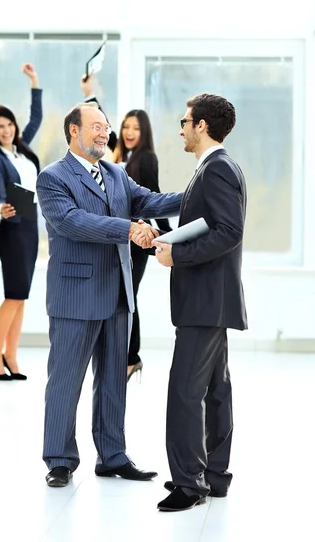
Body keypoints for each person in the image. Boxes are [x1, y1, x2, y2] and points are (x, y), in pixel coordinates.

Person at [36, 102, 183, 488]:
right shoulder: (52, 177)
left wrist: (194, 194)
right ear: (73, 131)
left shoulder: (116, 174)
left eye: (106, 127)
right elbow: (71, 222)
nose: (105, 132)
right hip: (75, 296)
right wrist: (128, 229)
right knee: (66, 380)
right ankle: (60, 459)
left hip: (118, 293)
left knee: (114, 381)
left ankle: (113, 455)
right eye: (96, 126)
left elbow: (150, 201)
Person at [153, 93, 247, 512]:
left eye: (185, 121)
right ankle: (215, 476)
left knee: (185, 392)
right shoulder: (213, 168)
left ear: (202, 126)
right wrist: (165, 239)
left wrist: (178, 256)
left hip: (205, 300)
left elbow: (229, 231)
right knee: (214, 390)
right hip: (211, 300)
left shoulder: (217, 168)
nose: (181, 129)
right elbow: (208, 226)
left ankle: (189, 484)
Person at [81, 76, 172, 380]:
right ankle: (126, 354)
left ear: (143, 133)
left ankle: (131, 357)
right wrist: (91, 94)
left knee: (128, 295)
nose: (129, 133)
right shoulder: (122, 155)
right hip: (122, 234)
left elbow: (154, 196)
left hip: (138, 239)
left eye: (136, 128)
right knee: (122, 294)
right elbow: (101, 127)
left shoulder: (145, 158)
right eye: (126, 127)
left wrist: (169, 236)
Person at [0, 63, 43, 381]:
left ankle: (11, 354)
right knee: (14, 294)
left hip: (31, 225)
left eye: (9, 125)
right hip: (12, 226)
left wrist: (35, 82)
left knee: (22, 296)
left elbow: (36, 119)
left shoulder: (23, 149)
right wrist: (0, 207)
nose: (6, 130)